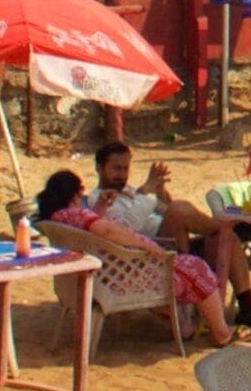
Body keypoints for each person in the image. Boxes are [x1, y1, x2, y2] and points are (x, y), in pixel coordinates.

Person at [40, 142, 239, 346]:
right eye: (116, 168)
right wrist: (148, 246)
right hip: (129, 274)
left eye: (126, 168)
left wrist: (153, 192)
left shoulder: (60, 219)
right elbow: (111, 231)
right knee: (197, 268)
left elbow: (97, 232)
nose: (122, 173)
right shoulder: (78, 213)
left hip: (113, 272)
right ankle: (221, 331)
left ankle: (189, 325)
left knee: (208, 239)